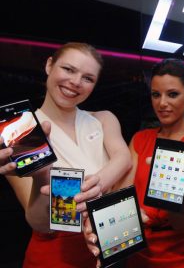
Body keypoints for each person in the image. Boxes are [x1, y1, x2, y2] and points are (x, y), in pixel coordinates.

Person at [4, 42, 132, 267]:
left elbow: (123, 158)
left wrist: (96, 186)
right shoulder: (21, 131)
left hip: (109, 235)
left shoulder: (102, 119)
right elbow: (41, 223)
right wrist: (42, 177)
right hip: (56, 252)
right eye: (69, 69)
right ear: (49, 65)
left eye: (88, 78)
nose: (75, 82)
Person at [86, 58, 184, 267]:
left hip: (183, 256)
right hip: (140, 251)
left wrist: (174, 192)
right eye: (156, 94)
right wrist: (105, 236)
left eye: (172, 94)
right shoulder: (141, 138)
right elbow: (123, 198)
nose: (162, 103)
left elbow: (180, 223)